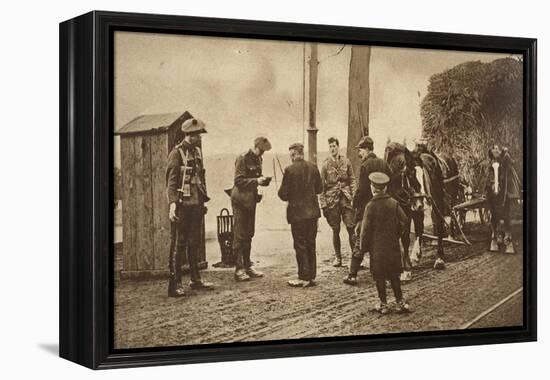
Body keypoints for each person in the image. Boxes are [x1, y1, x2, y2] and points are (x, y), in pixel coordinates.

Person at [166, 118, 214, 297]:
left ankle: (196, 279)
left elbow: (201, 177)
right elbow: (171, 182)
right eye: (193, 135)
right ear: (187, 135)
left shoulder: (198, 153)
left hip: (196, 205)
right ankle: (175, 283)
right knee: (179, 244)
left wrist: (203, 200)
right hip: (181, 206)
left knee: (194, 242)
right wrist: (172, 205)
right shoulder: (176, 153)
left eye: (198, 135)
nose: (196, 138)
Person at [344, 136, 392, 285]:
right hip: (383, 207)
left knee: (361, 239)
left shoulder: (365, 166)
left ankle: (352, 274)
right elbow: (391, 181)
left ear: (367, 149)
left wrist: (354, 202)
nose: (360, 154)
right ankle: (386, 275)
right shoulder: (384, 164)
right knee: (381, 240)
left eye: (361, 150)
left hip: (367, 209)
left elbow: (362, 189)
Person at [361, 172, 410, 314]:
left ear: (372, 188)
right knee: (394, 275)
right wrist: (398, 233)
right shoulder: (394, 203)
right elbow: (405, 221)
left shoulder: (370, 206)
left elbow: (365, 231)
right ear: (386, 188)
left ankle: (383, 305)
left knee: (380, 277)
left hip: (377, 250)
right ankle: (400, 302)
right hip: (393, 247)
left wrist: (363, 248)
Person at [278, 143, 323, 288]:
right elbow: (319, 189)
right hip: (312, 214)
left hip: (297, 215)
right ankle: (311, 276)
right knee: (311, 243)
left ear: (293, 154)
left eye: (291, 155)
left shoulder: (289, 170)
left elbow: (283, 195)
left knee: (300, 245)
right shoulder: (313, 167)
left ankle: (304, 277)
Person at [230, 136, 272, 281]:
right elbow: (238, 180)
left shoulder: (259, 159)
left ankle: (248, 266)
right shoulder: (242, 158)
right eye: (261, 150)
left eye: (264, 151)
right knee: (239, 233)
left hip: (251, 200)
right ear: (255, 147)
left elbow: (256, 177)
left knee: (249, 233)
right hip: (240, 200)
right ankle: (239, 269)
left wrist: (263, 181)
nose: (262, 153)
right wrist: (256, 181)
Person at [319, 137, 357, 267]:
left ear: (338, 147)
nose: (332, 148)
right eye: (330, 146)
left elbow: (352, 179)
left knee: (351, 227)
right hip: (332, 200)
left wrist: (354, 196)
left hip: (345, 199)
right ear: (328, 148)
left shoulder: (346, 161)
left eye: (334, 146)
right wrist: (323, 205)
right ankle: (338, 257)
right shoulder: (325, 165)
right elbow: (321, 188)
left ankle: (355, 257)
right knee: (335, 229)